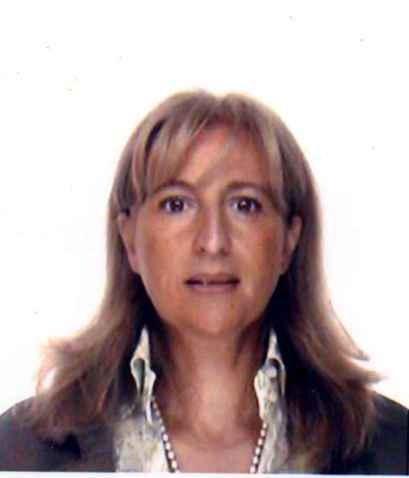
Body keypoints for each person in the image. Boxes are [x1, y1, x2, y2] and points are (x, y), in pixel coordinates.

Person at [0, 90, 407, 473]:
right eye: (176, 204)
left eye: (245, 205)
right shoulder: (22, 449)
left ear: (288, 241)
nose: (212, 242)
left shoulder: (394, 447)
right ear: (130, 240)